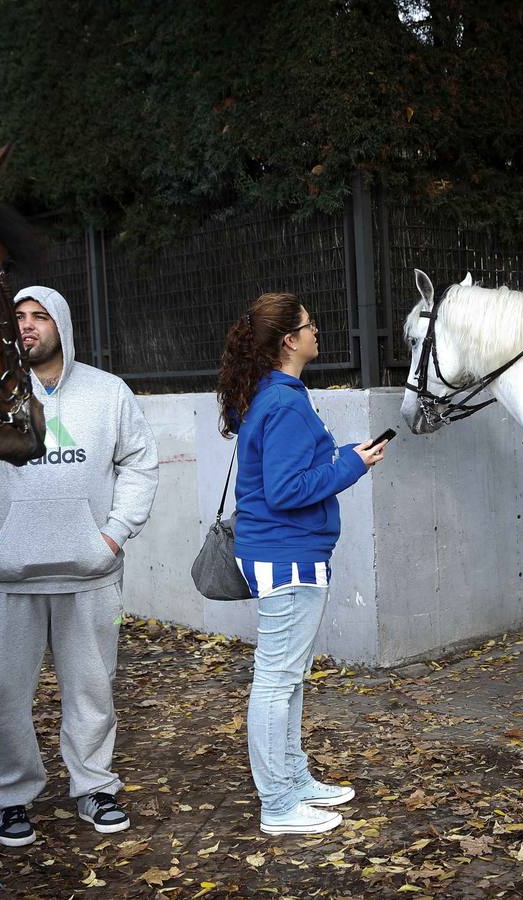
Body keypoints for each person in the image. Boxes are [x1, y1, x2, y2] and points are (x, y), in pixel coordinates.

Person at [0, 285, 159, 846]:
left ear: (63, 325)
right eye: (18, 318)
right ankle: (9, 797)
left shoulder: (108, 393)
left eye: (40, 316)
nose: (28, 326)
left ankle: (94, 787)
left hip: (90, 571)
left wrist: (112, 536)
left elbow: (139, 464)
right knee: (3, 692)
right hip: (5, 575)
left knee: (92, 688)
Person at [216, 292, 387, 836]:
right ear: (289, 340)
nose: (318, 332)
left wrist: (343, 457)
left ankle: (293, 781)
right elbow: (287, 490)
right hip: (286, 556)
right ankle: (278, 802)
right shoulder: (285, 402)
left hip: (285, 553)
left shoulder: (276, 394)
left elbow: (291, 473)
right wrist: (352, 467)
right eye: (310, 326)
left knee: (287, 680)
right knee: (276, 681)